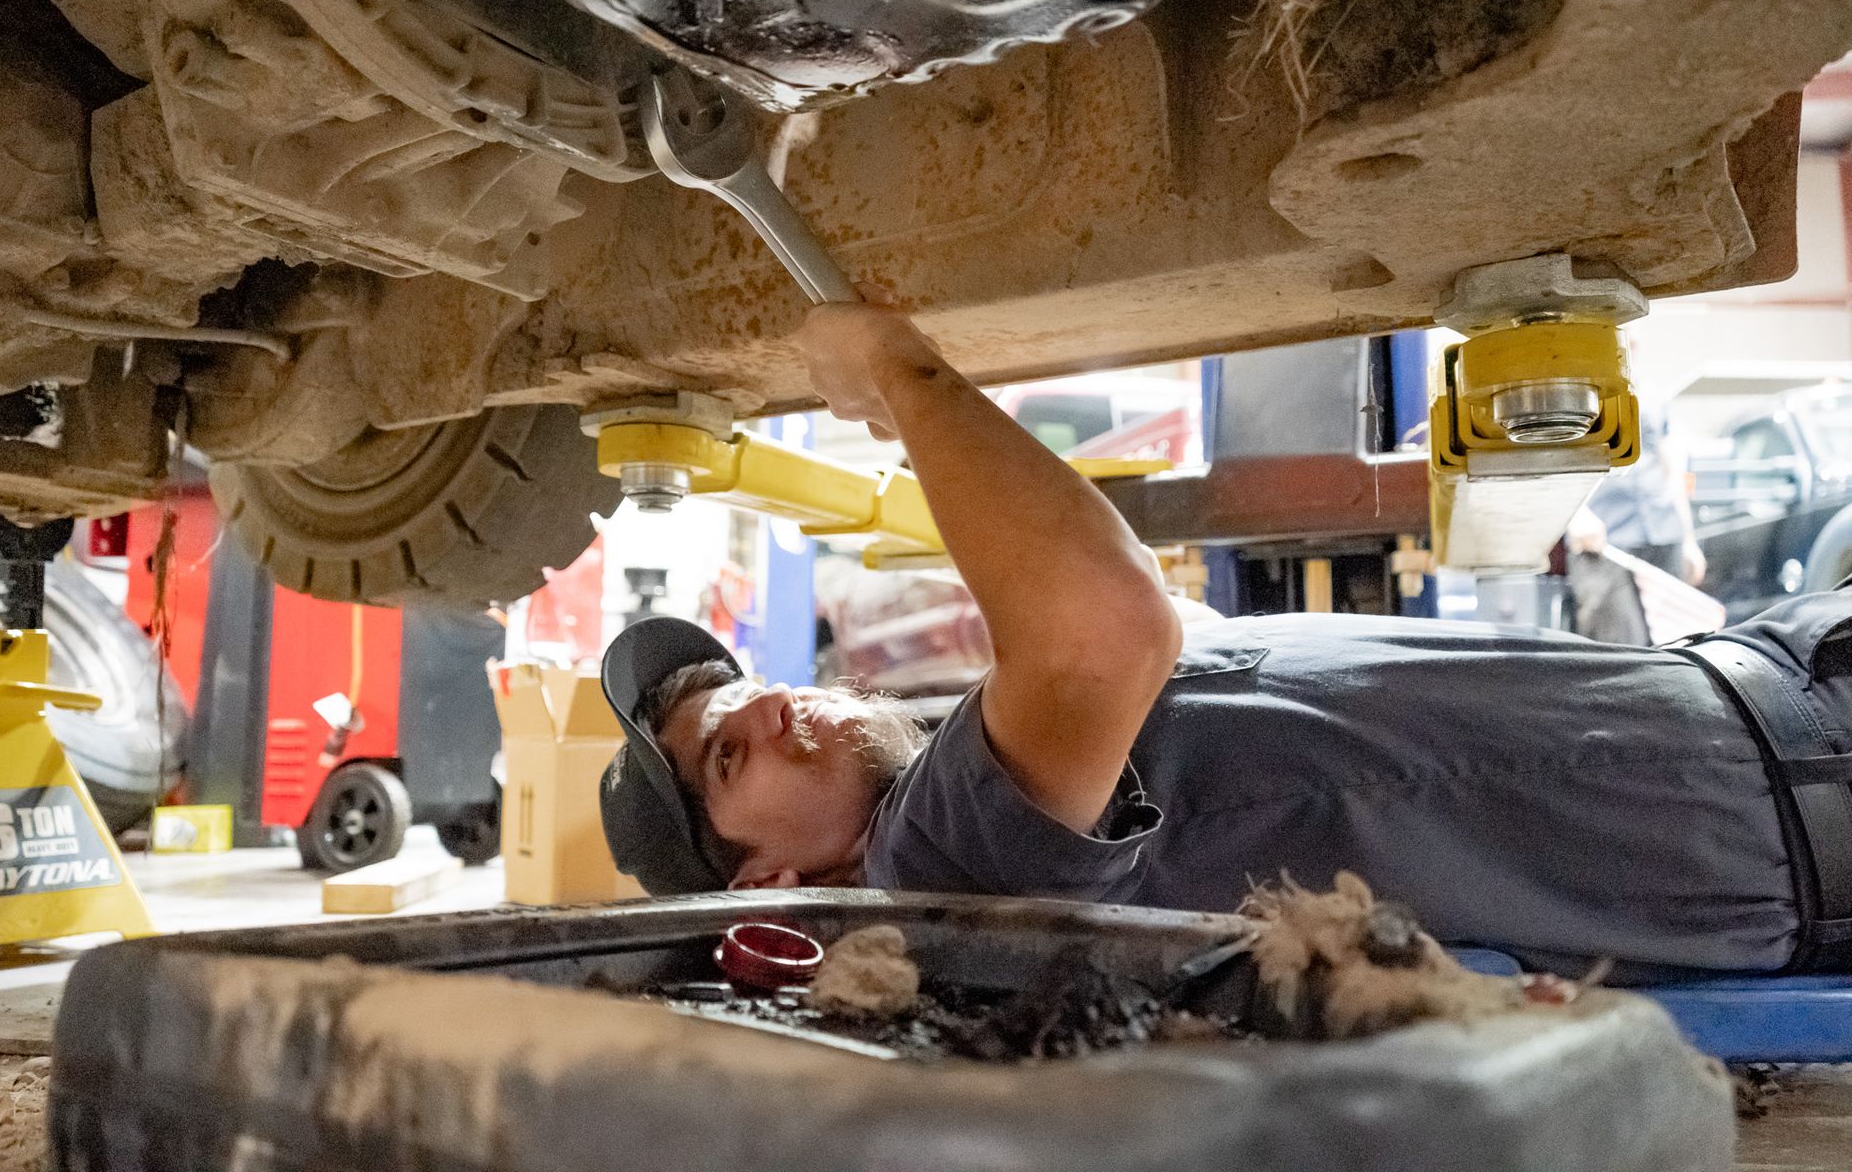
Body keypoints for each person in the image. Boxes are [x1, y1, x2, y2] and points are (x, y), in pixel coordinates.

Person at [598, 302, 1852, 981]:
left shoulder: (976, 766)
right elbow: (1102, 623)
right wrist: (894, 367)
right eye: (726, 761)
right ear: (763, 882)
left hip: (1781, 697)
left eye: (743, 692)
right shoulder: (945, 853)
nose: (764, 711)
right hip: (1793, 798)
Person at [1564, 405, 1707, 644]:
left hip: (1663, 534)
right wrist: (1575, 514)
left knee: (1676, 643)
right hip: (1603, 545)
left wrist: (1688, 539)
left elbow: (1672, 469)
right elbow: (1549, 455)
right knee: (1619, 647)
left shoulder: (1652, 397)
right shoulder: (1574, 389)